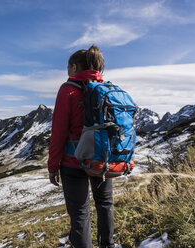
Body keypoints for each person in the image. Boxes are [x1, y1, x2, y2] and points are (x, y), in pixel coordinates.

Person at [48, 45, 115, 248]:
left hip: (73, 161)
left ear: (75, 67)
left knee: (80, 214)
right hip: (102, 159)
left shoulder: (68, 90)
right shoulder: (107, 89)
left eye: (68, 67)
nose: (67, 71)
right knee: (105, 205)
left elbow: (58, 132)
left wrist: (53, 166)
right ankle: (108, 245)